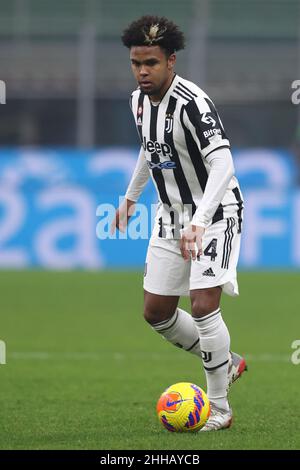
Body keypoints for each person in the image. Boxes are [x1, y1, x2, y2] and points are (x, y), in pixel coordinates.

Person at [111, 15, 247, 431]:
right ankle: (231, 361)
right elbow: (149, 149)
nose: (142, 71)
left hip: (215, 214)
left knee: (204, 305)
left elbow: (223, 161)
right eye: (136, 63)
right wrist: (131, 197)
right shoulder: (138, 101)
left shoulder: (193, 103)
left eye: (150, 63)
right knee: (156, 312)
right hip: (169, 216)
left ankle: (219, 409)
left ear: (171, 61)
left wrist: (201, 221)